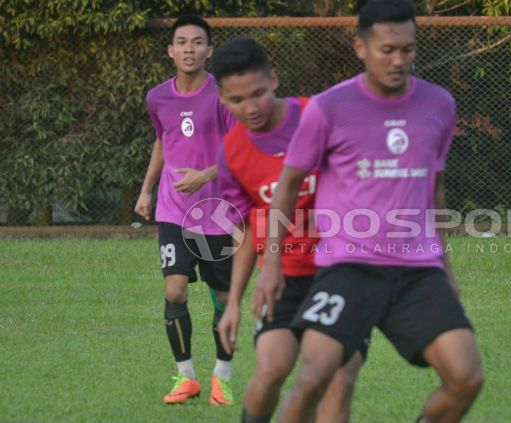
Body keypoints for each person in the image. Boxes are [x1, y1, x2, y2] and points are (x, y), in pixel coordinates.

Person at [255, 0, 484, 421]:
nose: (399, 60)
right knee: (312, 379)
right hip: (348, 269)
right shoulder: (329, 107)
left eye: (408, 50)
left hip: (417, 271)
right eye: (387, 50)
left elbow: (434, 188)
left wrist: (445, 266)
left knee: (466, 377)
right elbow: (287, 185)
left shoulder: (439, 105)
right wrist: (272, 264)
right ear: (360, 47)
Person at [211, 37, 365, 423]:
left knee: (336, 377)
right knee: (271, 369)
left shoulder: (320, 116)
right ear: (221, 97)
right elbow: (247, 229)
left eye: (258, 94)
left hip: (340, 272)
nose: (251, 108)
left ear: (274, 80)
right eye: (236, 100)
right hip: (282, 277)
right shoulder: (231, 151)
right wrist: (233, 302)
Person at [134, 15, 237, 406]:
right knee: (174, 289)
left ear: (209, 50)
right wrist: (147, 190)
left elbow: (240, 149)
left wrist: (206, 174)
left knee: (223, 296)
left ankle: (222, 379)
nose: (189, 49)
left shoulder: (223, 94)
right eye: (182, 42)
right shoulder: (157, 96)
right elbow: (163, 141)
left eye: (197, 42)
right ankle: (186, 376)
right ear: (171, 51)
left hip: (218, 211)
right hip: (173, 210)